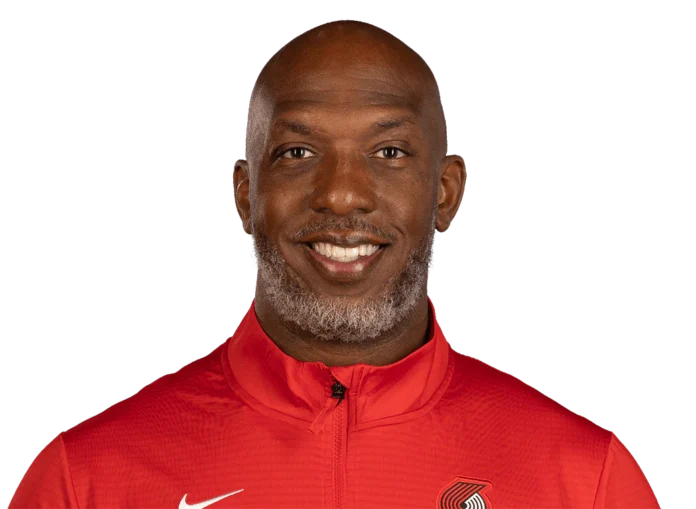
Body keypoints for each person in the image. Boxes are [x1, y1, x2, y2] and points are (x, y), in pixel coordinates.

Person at [10, 19, 659, 508]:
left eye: (389, 152)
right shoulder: (84, 481)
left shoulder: (587, 481)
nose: (342, 195)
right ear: (246, 195)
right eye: (297, 153)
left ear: (445, 193)